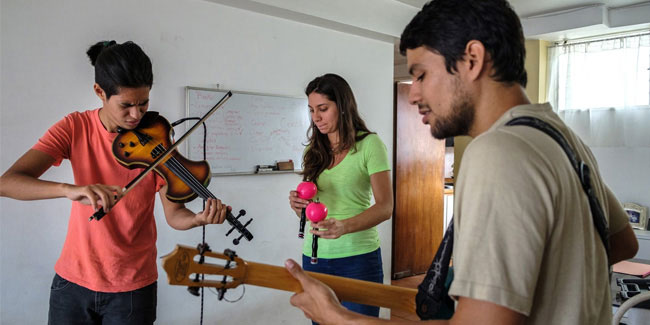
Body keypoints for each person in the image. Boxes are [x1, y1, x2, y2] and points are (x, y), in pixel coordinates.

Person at [282, 1, 640, 324]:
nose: (414, 94)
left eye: (421, 74)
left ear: (472, 59)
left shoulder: (497, 152)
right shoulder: (560, 135)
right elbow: (622, 244)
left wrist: (338, 318)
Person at [0, 40, 229, 325]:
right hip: (72, 284)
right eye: (126, 105)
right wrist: (69, 190)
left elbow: (175, 215)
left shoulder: (157, 137)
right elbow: (7, 183)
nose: (137, 115)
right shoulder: (75, 127)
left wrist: (197, 219)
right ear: (100, 92)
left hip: (133, 289)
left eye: (144, 103)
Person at [287, 73, 394, 319]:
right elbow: (310, 206)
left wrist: (344, 226)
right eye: (312, 110)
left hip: (358, 258)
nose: (316, 117)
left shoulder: (370, 145)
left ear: (343, 106)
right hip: (315, 257)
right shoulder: (312, 151)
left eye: (323, 109)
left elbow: (386, 207)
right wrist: (298, 206)